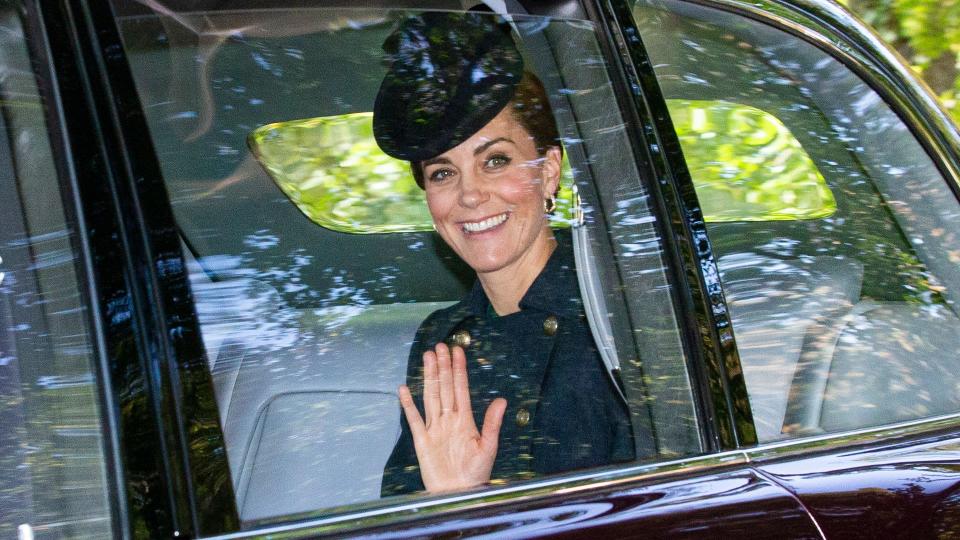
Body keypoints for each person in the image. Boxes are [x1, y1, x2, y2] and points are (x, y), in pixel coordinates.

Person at [375, 11, 636, 496]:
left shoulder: (621, 319)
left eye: (495, 160)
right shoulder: (439, 338)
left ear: (549, 171)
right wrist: (448, 501)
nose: (469, 196)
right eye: (442, 173)